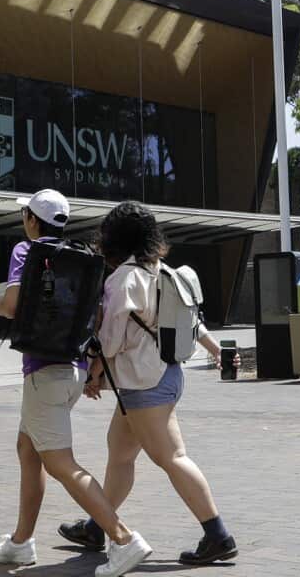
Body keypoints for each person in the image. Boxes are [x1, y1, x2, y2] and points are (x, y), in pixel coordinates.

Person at [59, 201, 238, 565]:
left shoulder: (124, 278)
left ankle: (217, 534)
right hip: (166, 375)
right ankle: (98, 525)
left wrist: (93, 372)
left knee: (172, 457)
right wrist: (216, 349)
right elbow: (190, 323)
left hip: (144, 384)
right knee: (120, 452)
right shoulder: (162, 270)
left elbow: (110, 341)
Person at [0, 189, 152, 577]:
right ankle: (20, 543)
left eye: (25, 214)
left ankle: (124, 539)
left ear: (31, 220)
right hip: (73, 369)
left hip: (43, 370)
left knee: (60, 462)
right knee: (29, 450)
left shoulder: (26, 252)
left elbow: (10, 305)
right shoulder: (83, 259)